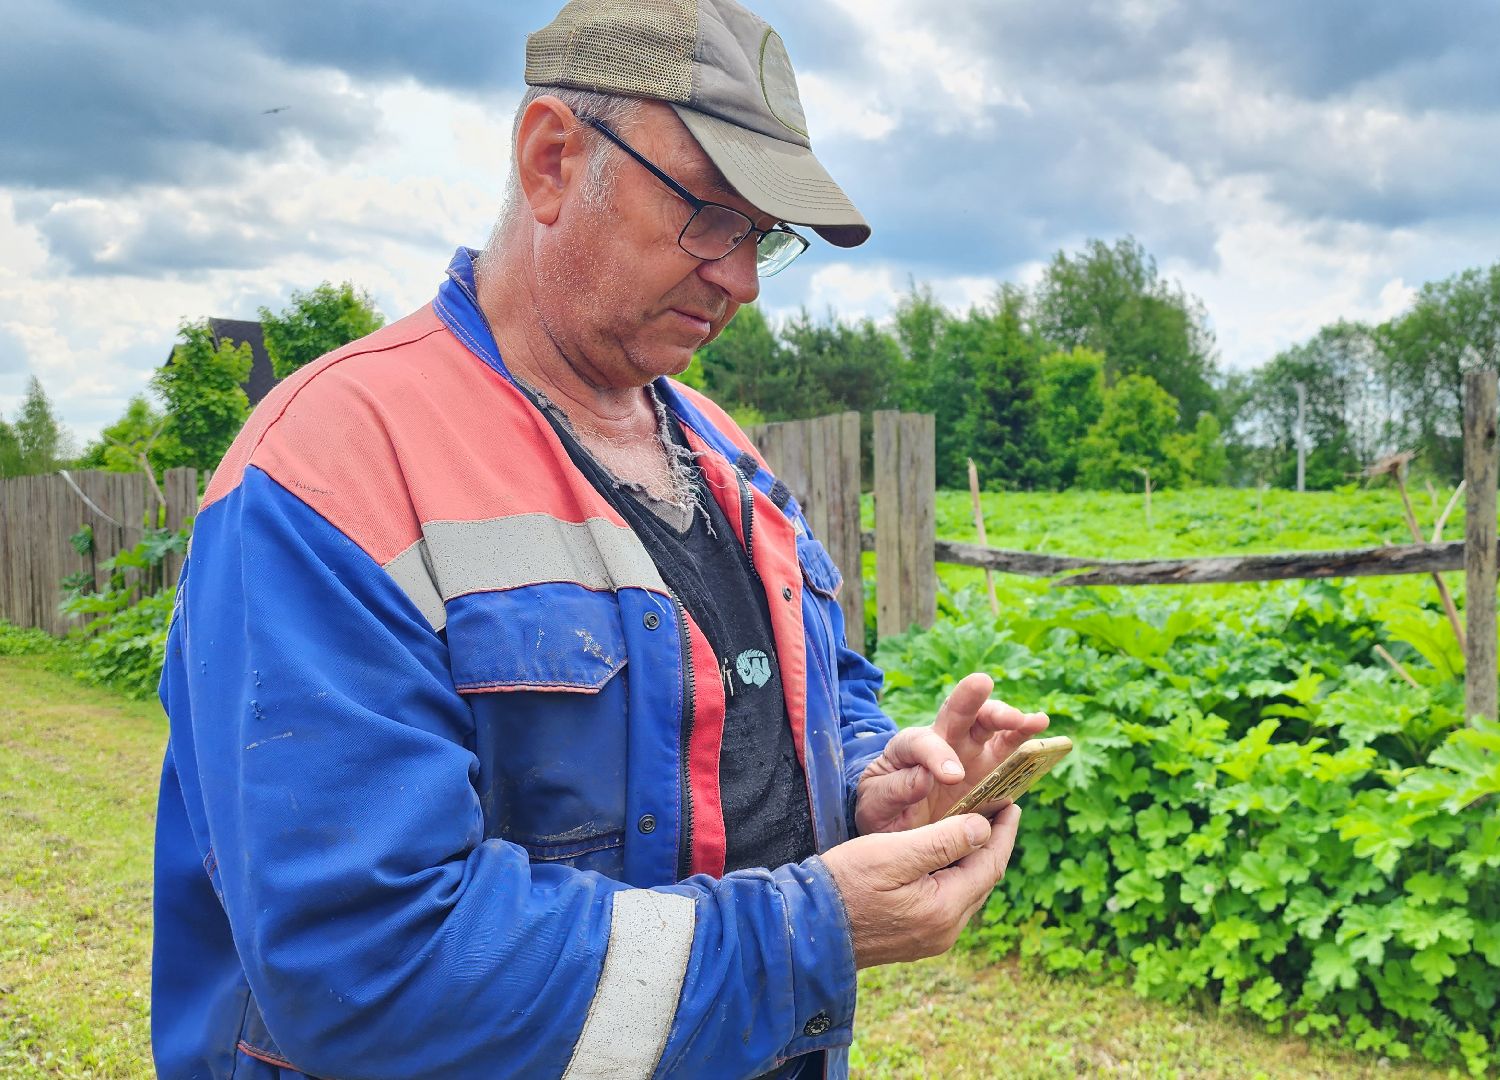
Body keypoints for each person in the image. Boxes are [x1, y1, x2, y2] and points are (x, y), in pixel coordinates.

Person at [149, 2, 1048, 1077]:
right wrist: (805, 935)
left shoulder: (729, 455)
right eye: (711, 213)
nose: (743, 278)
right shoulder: (331, 469)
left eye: (763, 235)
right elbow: (362, 972)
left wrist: (869, 783)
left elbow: (808, 691)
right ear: (551, 159)